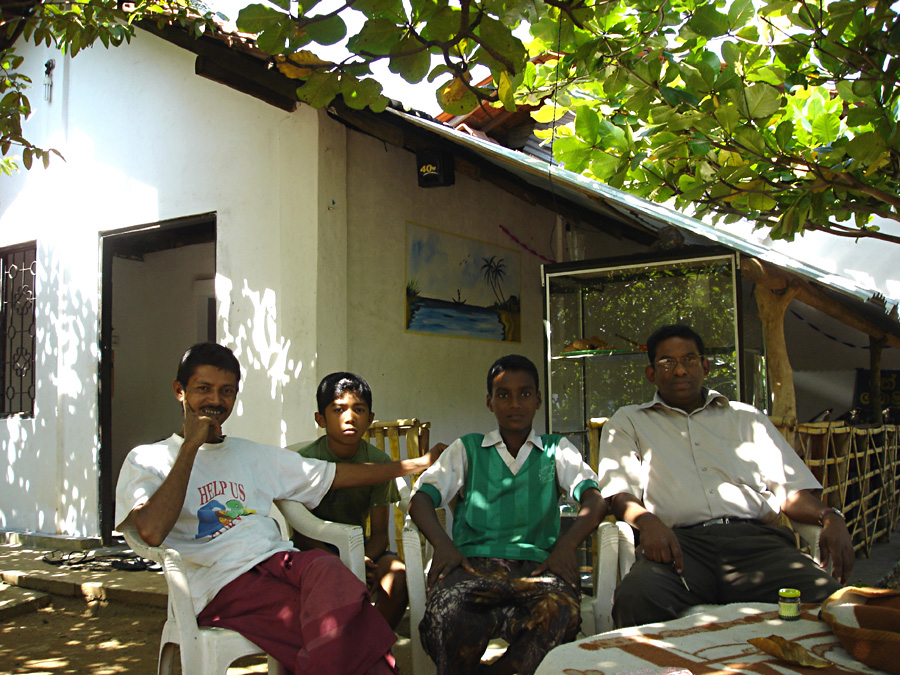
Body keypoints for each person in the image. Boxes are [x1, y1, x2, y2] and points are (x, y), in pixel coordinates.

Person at [115, 343, 444, 675]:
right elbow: (152, 531)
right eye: (204, 389)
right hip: (223, 582)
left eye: (226, 391)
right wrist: (190, 447)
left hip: (281, 562)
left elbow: (336, 475)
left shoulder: (253, 454)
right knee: (335, 623)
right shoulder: (148, 459)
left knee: (329, 569)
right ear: (179, 391)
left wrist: (416, 464)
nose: (215, 401)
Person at [598, 324, 854, 628]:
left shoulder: (746, 418)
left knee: (830, 601)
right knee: (635, 598)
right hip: (679, 549)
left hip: (758, 545)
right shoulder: (629, 421)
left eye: (689, 360)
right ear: (651, 373)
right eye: (667, 362)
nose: (680, 370)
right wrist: (647, 521)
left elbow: (790, 489)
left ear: (704, 366)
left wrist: (829, 515)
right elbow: (619, 494)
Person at [408, 354, 606, 675]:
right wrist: (444, 545)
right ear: (490, 402)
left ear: (539, 399)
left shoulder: (556, 450)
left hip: (539, 568)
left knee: (561, 614)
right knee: (447, 617)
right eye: (504, 395)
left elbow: (594, 500)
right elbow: (421, 500)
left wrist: (565, 547)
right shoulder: (468, 448)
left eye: (525, 393)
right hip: (474, 567)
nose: (515, 403)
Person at [290, 372, 409, 629]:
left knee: (397, 575)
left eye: (359, 409)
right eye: (338, 409)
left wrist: (360, 559)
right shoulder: (304, 461)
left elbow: (380, 535)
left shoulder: (378, 464)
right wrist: (342, 563)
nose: (350, 416)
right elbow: (300, 534)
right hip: (314, 551)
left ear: (370, 418)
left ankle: (371, 648)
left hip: (362, 549)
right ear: (320, 419)